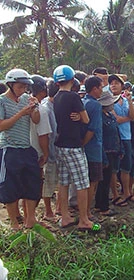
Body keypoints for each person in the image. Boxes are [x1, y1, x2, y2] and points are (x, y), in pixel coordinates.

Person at [53, 64, 100, 232]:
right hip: (73, 145)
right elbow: (86, 120)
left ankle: (65, 216)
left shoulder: (56, 97)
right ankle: (84, 219)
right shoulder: (73, 97)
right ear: (73, 80)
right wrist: (80, 115)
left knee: (64, 182)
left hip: (60, 144)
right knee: (82, 183)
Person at [0, 68, 41, 230]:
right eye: (20, 86)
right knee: (10, 185)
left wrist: (34, 108)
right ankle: (14, 223)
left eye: (25, 87)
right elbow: (2, 126)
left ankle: (30, 219)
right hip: (9, 147)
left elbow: (36, 120)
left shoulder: (26, 99)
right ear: (10, 85)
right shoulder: (2, 101)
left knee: (32, 183)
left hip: (26, 146)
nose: (23, 90)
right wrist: (21, 113)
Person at [110, 74, 134, 207]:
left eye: (116, 83)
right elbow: (117, 119)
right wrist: (127, 118)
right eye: (111, 83)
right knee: (114, 168)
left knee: (126, 166)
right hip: (115, 138)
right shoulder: (108, 100)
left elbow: (133, 116)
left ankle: (126, 192)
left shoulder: (125, 100)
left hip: (126, 137)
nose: (113, 85)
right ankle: (115, 194)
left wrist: (130, 101)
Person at [29, 75, 54, 220]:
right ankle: (31, 219)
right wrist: (46, 154)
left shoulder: (23, 104)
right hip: (36, 152)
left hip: (25, 150)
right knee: (35, 188)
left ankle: (26, 217)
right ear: (43, 91)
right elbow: (43, 136)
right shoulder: (41, 110)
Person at [81, 76, 104, 219]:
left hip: (87, 147)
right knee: (92, 181)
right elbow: (92, 128)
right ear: (94, 88)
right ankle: (87, 211)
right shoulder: (95, 105)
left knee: (86, 181)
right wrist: (84, 143)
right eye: (101, 87)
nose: (102, 90)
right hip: (93, 147)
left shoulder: (83, 102)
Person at [96, 89, 121, 216]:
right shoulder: (100, 117)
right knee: (104, 180)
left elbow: (116, 131)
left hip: (113, 150)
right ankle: (103, 207)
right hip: (106, 151)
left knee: (106, 178)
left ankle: (100, 204)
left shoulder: (110, 115)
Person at [41, 79, 59, 220]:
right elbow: (46, 134)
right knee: (48, 182)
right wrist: (46, 153)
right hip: (49, 151)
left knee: (58, 182)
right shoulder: (46, 108)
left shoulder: (55, 105)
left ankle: (58, 208)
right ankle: (48, 211)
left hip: (57, 149)